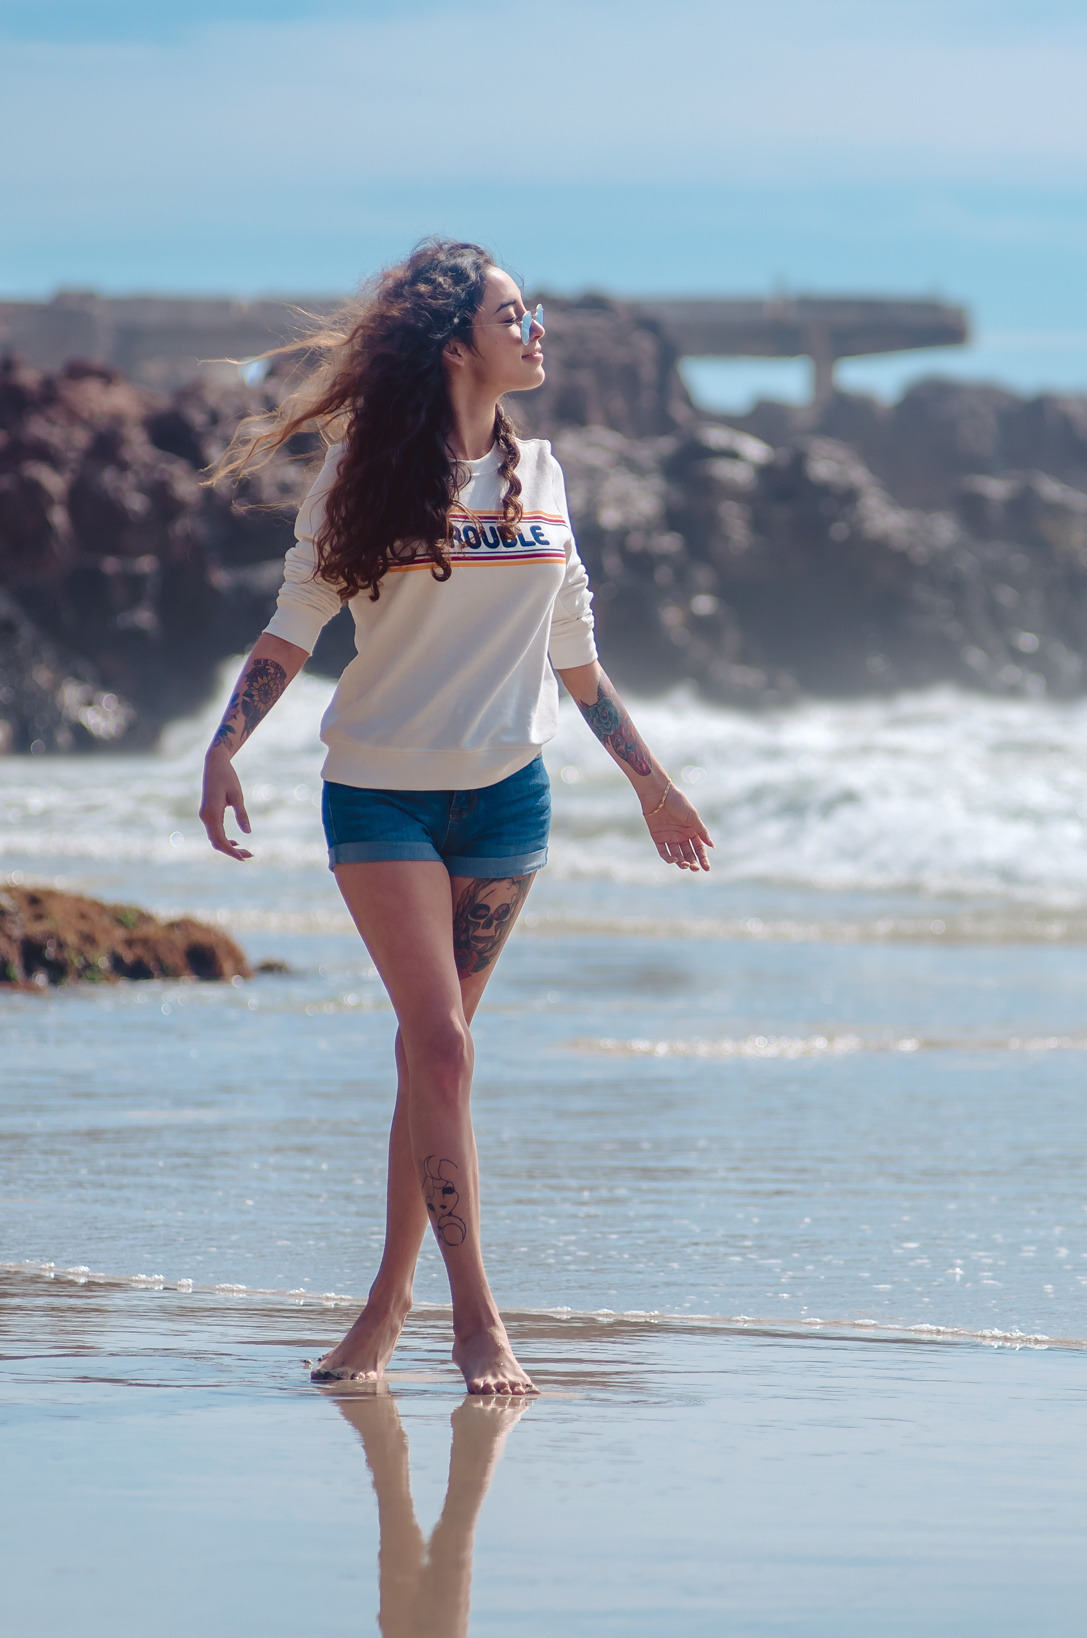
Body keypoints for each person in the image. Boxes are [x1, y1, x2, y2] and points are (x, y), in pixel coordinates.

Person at [198, 239, 713, 1394]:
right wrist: (226, 746)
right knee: (439, 1044)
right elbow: (296, 623)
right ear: (454, 343)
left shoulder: (546, 477)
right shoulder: (365, 472)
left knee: (438, 1059)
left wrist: (651, 782)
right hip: (379, 792)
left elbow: (574, 653)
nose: (536, 333)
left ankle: (383, 1308)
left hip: (505, 801)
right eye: (513, 315)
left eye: (533, 316)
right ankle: (476, 1321)